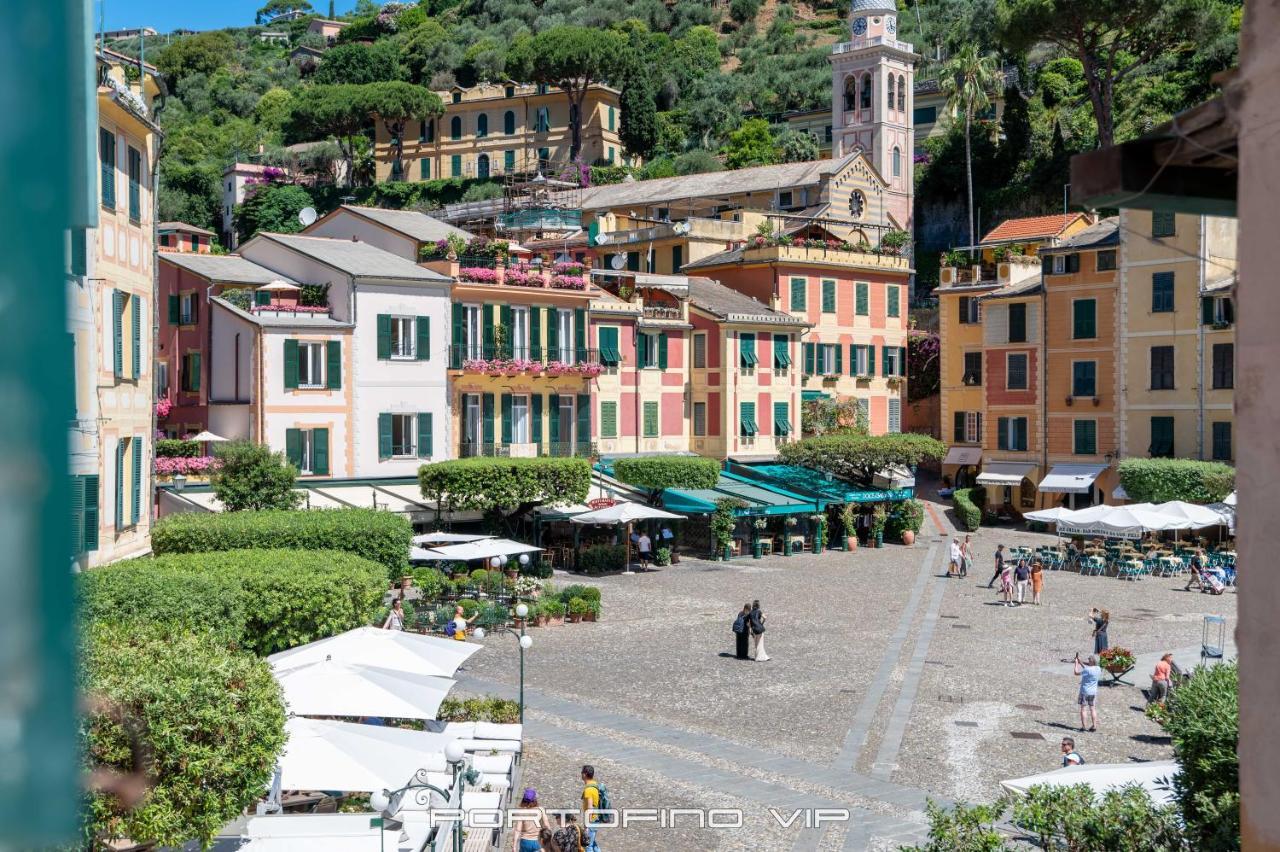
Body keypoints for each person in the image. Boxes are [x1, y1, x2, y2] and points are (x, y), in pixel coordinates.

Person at [1074, 653, 1102, 732]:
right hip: (1093, 692)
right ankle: (1094, 726)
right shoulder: (1098, 668)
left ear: (1090, 661)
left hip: (1084, 692)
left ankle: (1084, 727)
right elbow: (1087, 669)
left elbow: (1076, 673)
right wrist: (1080, 662)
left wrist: (1076, 664)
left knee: (1083, 709)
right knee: (1092, 709)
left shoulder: (1087, 670)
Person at [581, 765, 606, 852]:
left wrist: (586, 825)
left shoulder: (588, 790)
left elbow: (590, 807)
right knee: (593, 842)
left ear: (585, 774)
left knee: (588, 845)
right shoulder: (595, 784)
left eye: (582, 772)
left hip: (592, 820)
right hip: (596, 818)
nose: (581, 774)